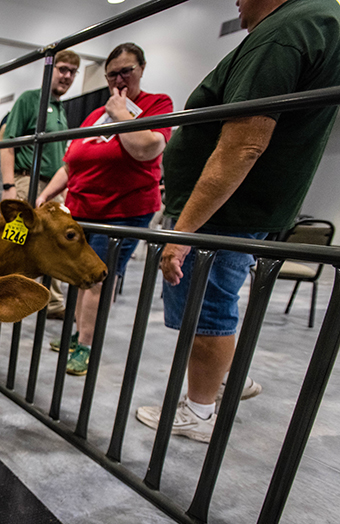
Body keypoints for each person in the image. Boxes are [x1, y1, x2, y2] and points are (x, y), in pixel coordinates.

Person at [136, 0, 340, 443]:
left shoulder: (283, 33)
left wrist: (182, 232)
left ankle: (200, 411)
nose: (235, 1)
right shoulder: (311, 23)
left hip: (223, 213)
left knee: (208, 310)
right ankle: (225, 377)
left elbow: (242, 146)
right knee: (216, 302)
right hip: (233, 211)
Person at [38, 43, 173, 377]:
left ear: (141, 68)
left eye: (126, 70)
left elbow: (146, 149)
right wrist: (45, 196)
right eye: (112, 73)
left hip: (122, 210)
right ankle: (76, 334)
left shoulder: (156, 104)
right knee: (78, 277)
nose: (119, 79)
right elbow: (71, 164)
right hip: (82, 209)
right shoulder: (93, 115)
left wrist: (121, 114)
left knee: (97, 280)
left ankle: (85, 343)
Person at [1, 49, 81, 317]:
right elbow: (8, 144)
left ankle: (54, 301)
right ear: (50, 70)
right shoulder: (29, 100)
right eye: (62, 69)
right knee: (16, 237)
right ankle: (3, 293)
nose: (67, 76)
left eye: (72, 71)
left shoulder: (60, 109)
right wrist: (9, 187)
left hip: (53, 189)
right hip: (27, 182)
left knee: (54, 242)